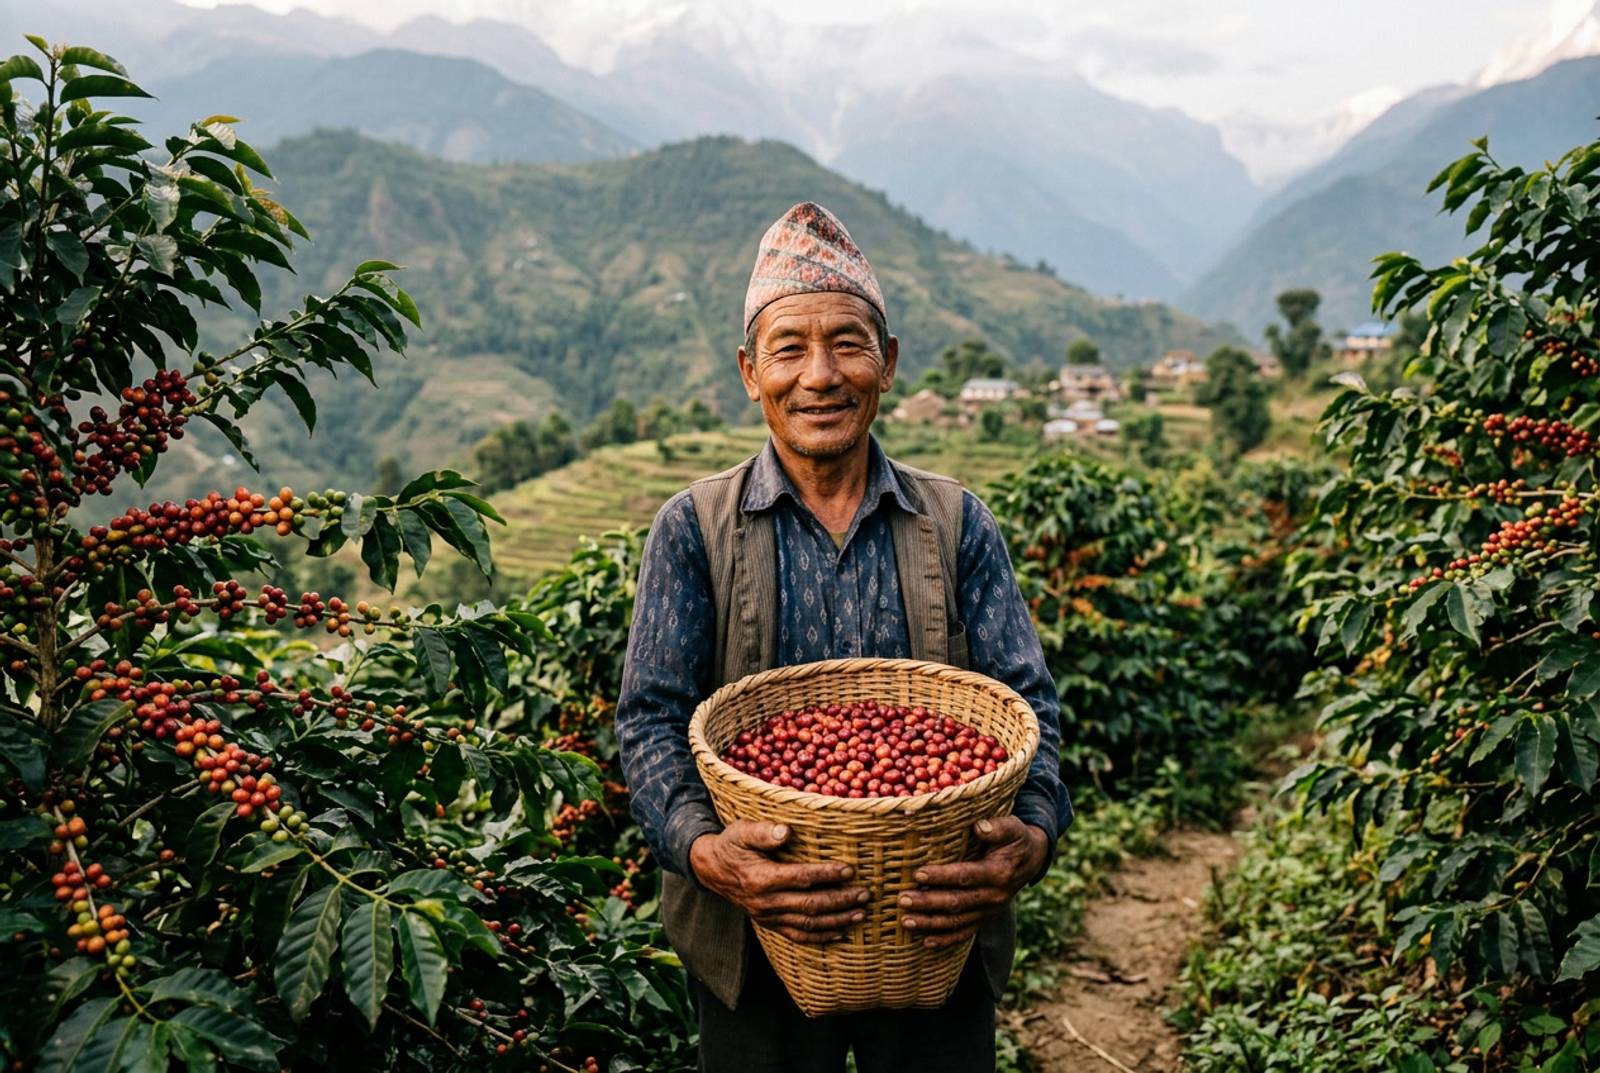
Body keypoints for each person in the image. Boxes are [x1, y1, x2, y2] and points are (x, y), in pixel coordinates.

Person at [615, 201, 1072, 1073]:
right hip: (755, 937)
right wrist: (710, 853)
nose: (819, 375)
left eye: (848, 343)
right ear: (752, 373)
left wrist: (1036, 834)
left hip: (931, 923)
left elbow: (1028, 706)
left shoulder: (956, 522)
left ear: (888, 364)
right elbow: (649, 721)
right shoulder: (693, 528)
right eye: (789, 348)